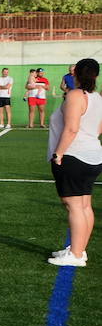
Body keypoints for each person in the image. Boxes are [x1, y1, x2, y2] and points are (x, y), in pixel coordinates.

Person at [46, 58, 102, 267]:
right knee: (85, 204)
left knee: (74, 205)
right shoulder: (96, 97)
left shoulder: (75, 95)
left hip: (74, 156)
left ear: (75, 74)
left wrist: (58, 153)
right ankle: (79, 250)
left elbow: (71, 128)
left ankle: (76, 255)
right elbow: (98, 128)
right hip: (93, 155)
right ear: (95, 75)